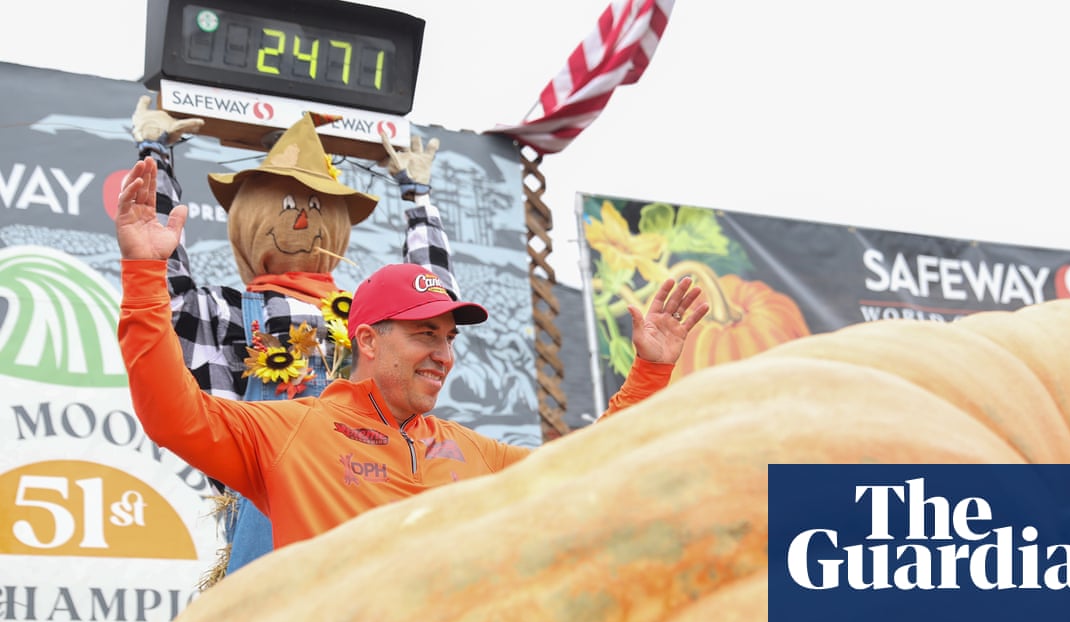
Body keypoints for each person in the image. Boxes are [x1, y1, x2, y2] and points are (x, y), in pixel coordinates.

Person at [115, 156, 709, 550]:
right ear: (367, 340)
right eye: (425, 334)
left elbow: (585, 468)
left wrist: (650, 370)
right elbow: (173, 414)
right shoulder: (290, 433)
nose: (444, 354)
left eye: (450, 338)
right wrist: (145, 271)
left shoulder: (471, 452)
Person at [129, 97, 459, 575]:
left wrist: (418, 199)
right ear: (250, 222)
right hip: (274, 526)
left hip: (373, 509)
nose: (302, 222)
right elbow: (163, 286)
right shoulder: (225, 313)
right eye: (286, 207)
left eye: (313, 207)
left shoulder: (361, 315)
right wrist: (154, 152)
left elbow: (433, 310)